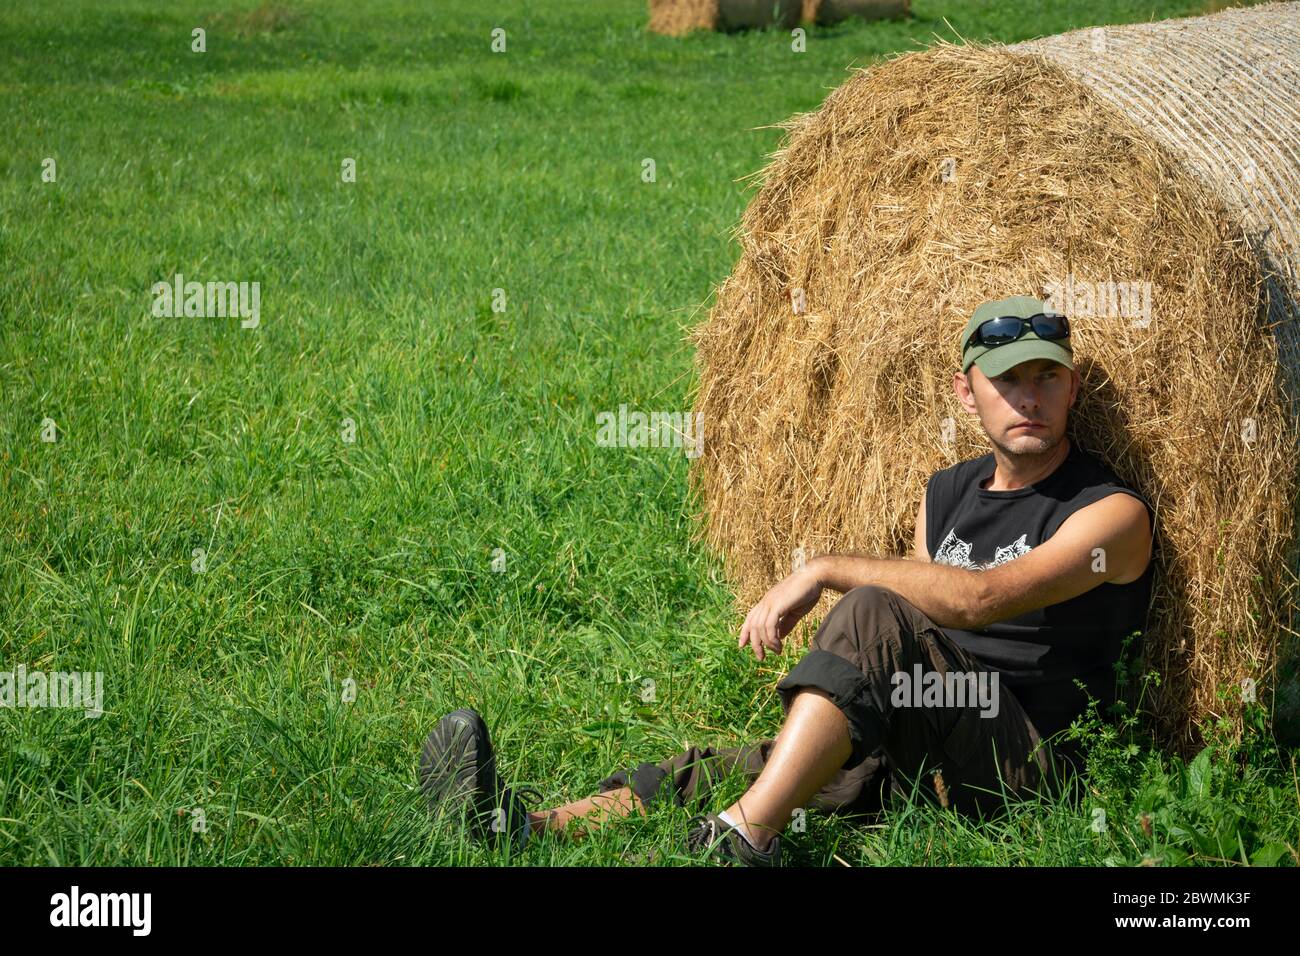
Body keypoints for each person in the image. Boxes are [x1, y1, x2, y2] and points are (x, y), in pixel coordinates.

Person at [418, 294, 1156, 865]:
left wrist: (824, 569)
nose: (1029, 398)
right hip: (926, 735)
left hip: (1027, 765)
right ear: (968, 394)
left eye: (1046, 377)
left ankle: (745, 842)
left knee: (873, 608)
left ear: (1073, 386)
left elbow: (982, 599)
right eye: (1007, 380)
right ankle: (520, 828)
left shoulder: (1110, 514)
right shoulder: (948, 493)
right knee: (758, 765)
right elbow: (931, 628)